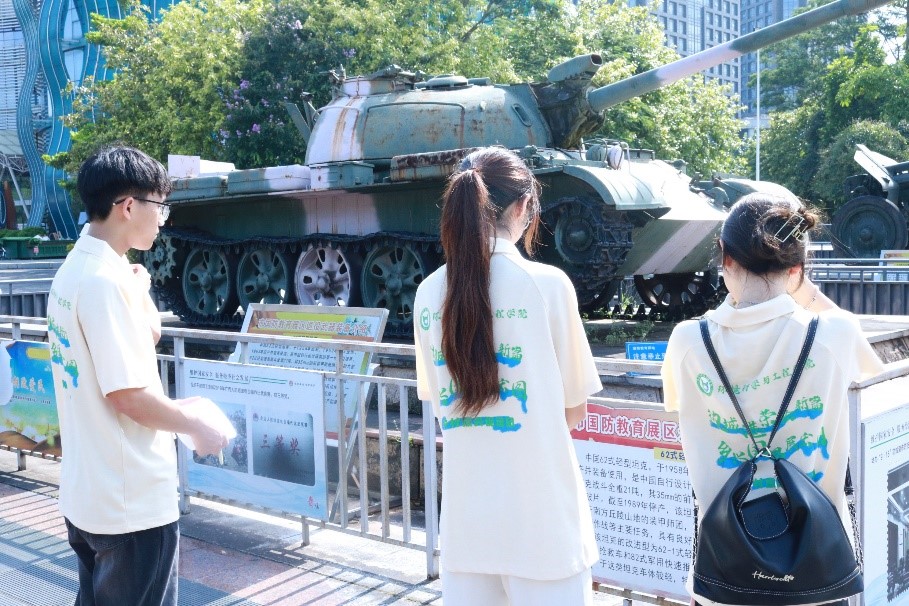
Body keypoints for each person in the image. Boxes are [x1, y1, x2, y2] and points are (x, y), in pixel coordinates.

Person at [661, 194, 885, 606]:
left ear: (725, 256)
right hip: (816, 569)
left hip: (726, 569)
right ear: (797, 267)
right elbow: (871, 367)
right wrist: (802, 286)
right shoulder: (835, 333)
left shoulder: (688, 341)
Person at [413, 147, 601, 605]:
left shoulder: (427, 293)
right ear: (522, 207)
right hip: (544, 526)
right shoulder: (547, 285)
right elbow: (573, 410)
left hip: (467, 531)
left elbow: (441, 407)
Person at [46, 146, 231, 606]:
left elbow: (146, 336)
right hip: (129, 503)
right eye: (160, 207)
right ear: (129, 206)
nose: (163, 219)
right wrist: (196, 426)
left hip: (91, 494)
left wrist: (139, 288)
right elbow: (127, 396)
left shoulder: (78, 270)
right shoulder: (104, 283)